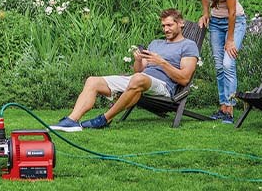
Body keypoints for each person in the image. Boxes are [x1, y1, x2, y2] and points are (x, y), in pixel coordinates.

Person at [50, 8, 200, 132]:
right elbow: (138, 71)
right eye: (163, 26)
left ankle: (105, 119)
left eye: (169, 25)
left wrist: (162, 62)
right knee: (92, 81)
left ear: (181, 24)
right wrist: (138, 60)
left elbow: (184, 78)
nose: (165, 29)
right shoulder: (156, 43)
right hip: (140, 80)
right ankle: (72, 121)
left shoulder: (188, 45)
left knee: (138, 79)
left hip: (164, 86)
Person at [190, 0, 247, 124]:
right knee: (219, 66)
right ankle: (223, 107)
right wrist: (205, 13)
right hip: (215, 22)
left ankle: (230, 109)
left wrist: (230, 40)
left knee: (228, 63)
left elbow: (231, 12)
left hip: (234, 22)